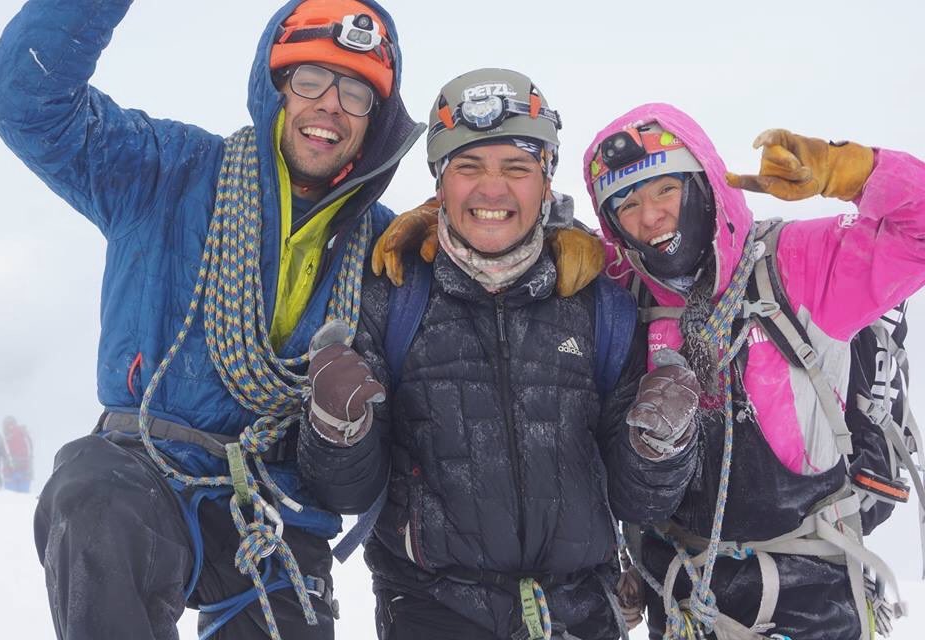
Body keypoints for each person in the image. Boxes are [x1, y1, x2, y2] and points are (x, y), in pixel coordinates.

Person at [0, 0, 423, 638]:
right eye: (310, 80)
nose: (330, 105)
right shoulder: (164, 171)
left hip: (278, 508)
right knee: (93, 499)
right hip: (144, 474)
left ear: (375, 119)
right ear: (276, 88)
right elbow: (25, 101)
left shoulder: (387, 250)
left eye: (355, 92)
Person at [297, 69, 702, 640]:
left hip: (582, 612)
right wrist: (335, 428)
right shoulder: (391, 296)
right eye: (468, 167)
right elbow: (347, 493)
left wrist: (661, 447)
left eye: (516, 168)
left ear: (546, 181)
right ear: (439, 182)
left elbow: (638, 501)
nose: (492, 191)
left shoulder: (599, 305)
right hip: (432, 612)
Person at [579, 104, 925, 640]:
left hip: (813, 598)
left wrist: (854, 172)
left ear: (705, 186)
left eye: (665, 190)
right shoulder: (627, 289)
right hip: (682, 601)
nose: (650, 217)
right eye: (626, 203)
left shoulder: (799, 264)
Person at [0, 416, 34, 492]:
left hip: (9, 473)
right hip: (25, 472)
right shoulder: (25, 434)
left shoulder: (1, 438)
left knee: (11, 496)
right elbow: (30, 451)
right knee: (24, 496)